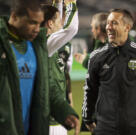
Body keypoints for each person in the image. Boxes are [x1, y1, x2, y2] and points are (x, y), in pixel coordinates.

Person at [82, 8, 136, 135]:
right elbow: (89, 89)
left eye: (114, 23)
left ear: (127, 27)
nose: (108, 27)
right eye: (107, 23)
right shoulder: (96, 57)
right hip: (104, 127)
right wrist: (87, 117)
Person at [0, 0, 79, 135]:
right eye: (32, 22)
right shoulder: (3, 45)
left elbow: (46, 86)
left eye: (39, 23)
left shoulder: (37, 46)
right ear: (14, 17)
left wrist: (64, 111)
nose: (37, 29)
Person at [41, 1, 77, 134]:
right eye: (58, 22)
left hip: (54, 115)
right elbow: (71, 29)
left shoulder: (45, 42)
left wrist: (58, 3)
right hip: (51, 120)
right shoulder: (46, 44)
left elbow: (55, 17)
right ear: (50, 24)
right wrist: (71, 4)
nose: (61, 25)